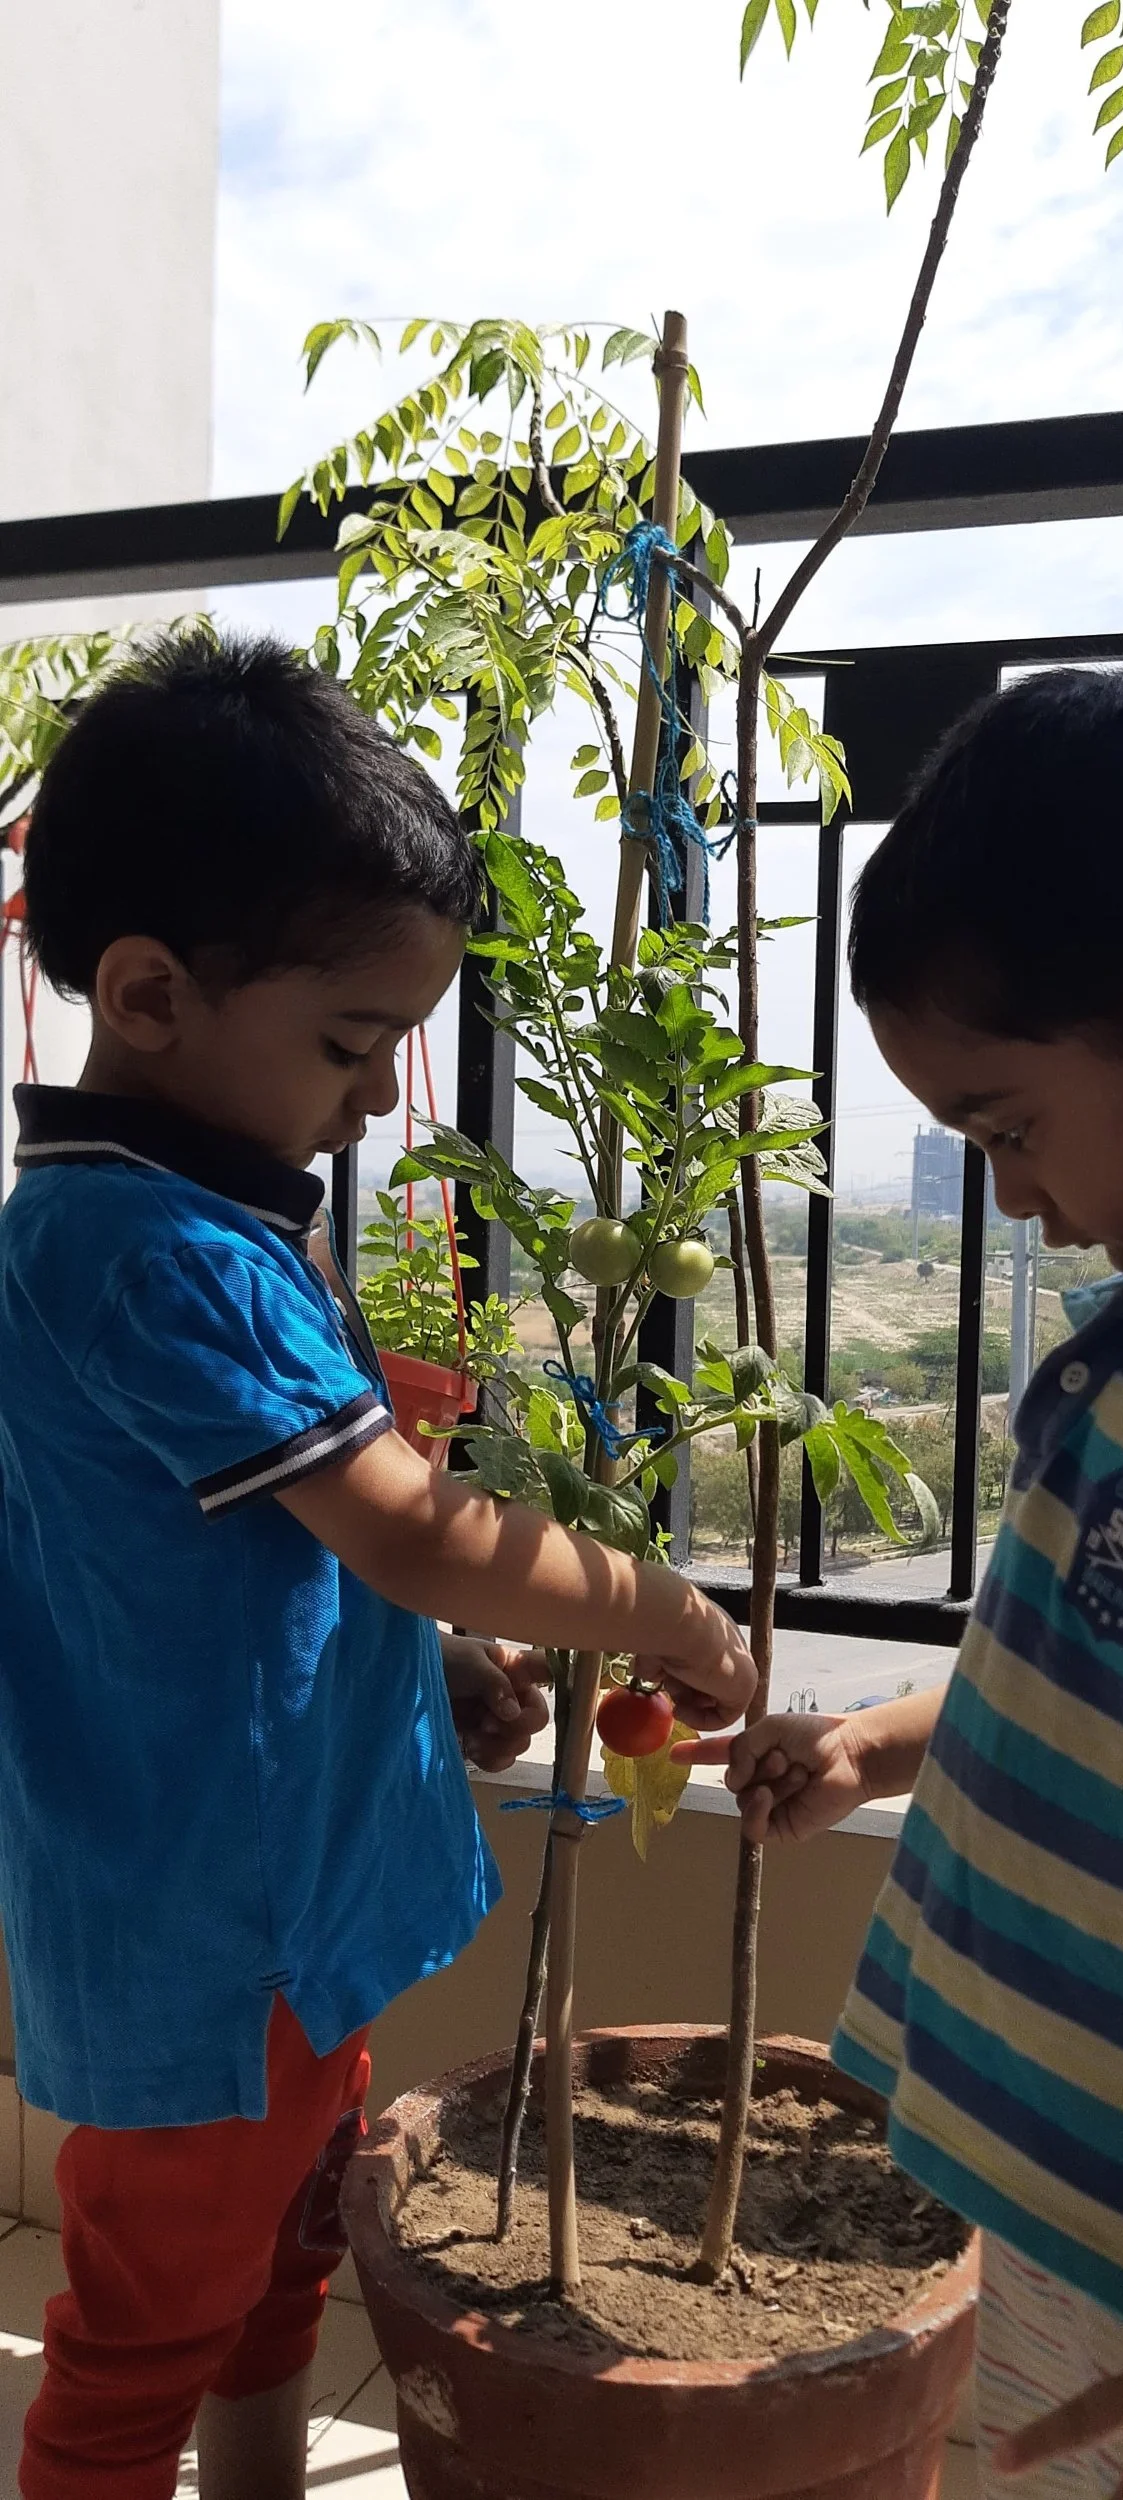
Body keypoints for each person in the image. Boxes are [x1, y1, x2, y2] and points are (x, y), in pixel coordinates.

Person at [0, 631, 755, 2500]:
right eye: (347, 1047)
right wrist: (656, 1606)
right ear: (153, 992)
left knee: (274, 2272)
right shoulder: (147, 1248)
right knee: (140, 2339)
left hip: (281, 1896)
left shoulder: (205, 1219)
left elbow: (258, 1554)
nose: (371, 1099)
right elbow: (408, 1522)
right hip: (212, 1916)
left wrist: (419, 1671)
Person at [683, 668, 1123, 2500]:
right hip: (1058, 2210)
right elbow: (1095, 1678)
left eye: (1006, 1126)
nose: (1009, 1201)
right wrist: (878, 1744)